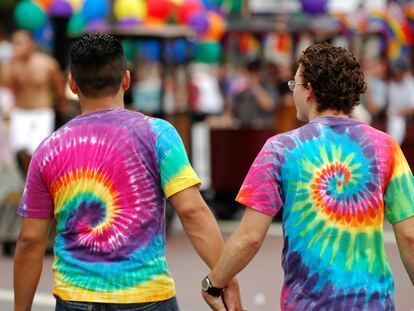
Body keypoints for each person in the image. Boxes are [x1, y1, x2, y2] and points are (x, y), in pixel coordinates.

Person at [14, 33, 242, 311]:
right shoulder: (157, 134)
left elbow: (30, 241)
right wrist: (225, 280)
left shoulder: (48, 149)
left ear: (72, 84)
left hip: (76, 298)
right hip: (147, 297)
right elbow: (192, 212)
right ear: (126, 80)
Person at [202, 43, 414, 310]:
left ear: (309, 90)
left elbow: (249, 237)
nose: (294, 92)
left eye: (295, 85)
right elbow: (410, 236)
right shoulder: (386, 147)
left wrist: (214, 283)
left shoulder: (280, 149)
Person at [0, 29, 66, 175]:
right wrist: (11, 63)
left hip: (42, 112)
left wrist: (62, 105)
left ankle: (37, 181)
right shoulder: (11, 65)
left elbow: (59, 87)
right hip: (20, 112)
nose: (18, 47)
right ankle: (31, 181)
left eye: (21, 42)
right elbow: (4, 85)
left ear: (31, 43)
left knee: (38, 151)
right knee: (21, 150)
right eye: (15, 43)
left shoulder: (47, 64)